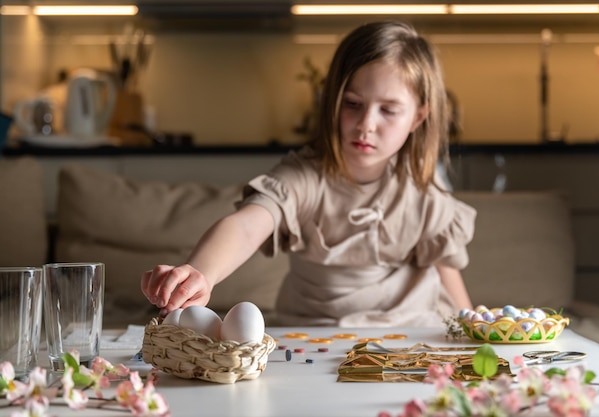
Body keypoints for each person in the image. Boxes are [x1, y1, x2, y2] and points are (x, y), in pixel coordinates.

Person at [142, 20, 476, 327]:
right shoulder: (304, 178)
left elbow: (445, 269)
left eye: (388, 110)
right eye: (352, 103)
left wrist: (473, 330)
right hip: (315, 338)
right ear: (331, 102)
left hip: (411, 335)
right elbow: (246, 227)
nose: (366, 125)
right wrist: (201, 273)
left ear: (418, 118)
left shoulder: (423, 189)